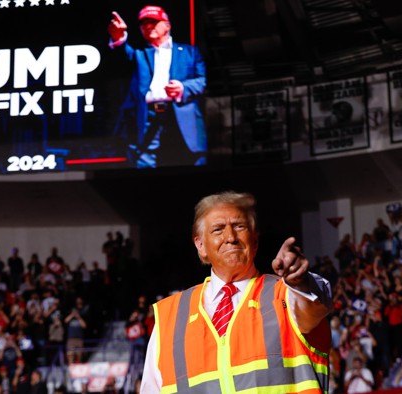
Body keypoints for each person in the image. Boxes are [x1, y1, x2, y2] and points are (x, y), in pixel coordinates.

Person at [138, 191, 332, 393]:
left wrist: (299, 281)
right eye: (218, 230)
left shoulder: (286, 294)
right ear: (201, 246)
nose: (230, 237)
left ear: (255, 240)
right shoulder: (169, 316)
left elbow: (315, 305)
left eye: (239, 226)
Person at [107, 5, 207, 168]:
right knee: (144, 163)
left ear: (167, 25)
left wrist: (183, 87)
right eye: (143, 23)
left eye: (153, 22)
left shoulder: (189, 52)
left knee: (190, 162)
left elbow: (202, 80)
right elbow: (120, 57)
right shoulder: (138, 53)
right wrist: (119, 37)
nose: (147, 26)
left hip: (181, 114)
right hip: (147, 116)